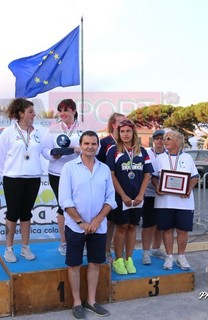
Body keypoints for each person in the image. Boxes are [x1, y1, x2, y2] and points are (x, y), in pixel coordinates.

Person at [59, 130, 117, 319]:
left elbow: (110, 198)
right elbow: (65, 200)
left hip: (98, 227)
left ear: (98, 146)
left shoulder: (104, 169)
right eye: (86, 144)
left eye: (94, 144)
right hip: (76, 227)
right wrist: (81, 222)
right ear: (81, 145)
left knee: (95, 263)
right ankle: (77, 302)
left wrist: (98, 220)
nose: (90, 147)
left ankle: (91, 301)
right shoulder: (69, 168)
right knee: (74, 264)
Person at [0, 98, 42, 263]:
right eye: (30, 112)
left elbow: (43, 152)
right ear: (21, 113)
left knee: (26, 214)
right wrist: (11, 171)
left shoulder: (37, 132)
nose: (33, 114)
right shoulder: (8, 132)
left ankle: (25, 247)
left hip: (33, 178)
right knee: (12, 213)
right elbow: (2, 157)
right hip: (13, 178)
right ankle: (8, 248)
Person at [106, 119, 153, 275]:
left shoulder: (143, 151)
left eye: (128, 131)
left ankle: (129, 259)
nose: (125, 134)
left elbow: (147, 174)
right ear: (118, 133)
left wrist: (141, 194)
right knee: (122, 226)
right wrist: (123, 195)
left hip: (138, 197)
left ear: (134, 133)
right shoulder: (113, 150)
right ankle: (118, 260)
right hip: (121, 197)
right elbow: (111, 175)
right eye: (122, 131)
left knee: (132, 226)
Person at [152, 130, 198, 271]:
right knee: (167, 230)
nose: (165, 141)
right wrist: (158, 187)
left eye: (169, 138)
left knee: (183, 230)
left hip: (184, 202)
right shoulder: (159, 158)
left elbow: (194, 177)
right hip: (164, 201)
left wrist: (188, 189)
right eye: (164, 138)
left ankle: (181, 256)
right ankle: (169, 257)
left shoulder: (187, 158)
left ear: (177, 141)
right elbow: (154, 177)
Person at [42, 99, 82, 256]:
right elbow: (44, 149)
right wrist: (54, 155)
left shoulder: (83, 128)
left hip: (79, 172)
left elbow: (93, 147)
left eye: (66, 110)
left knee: (79, 205)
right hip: (57, 173)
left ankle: (80, 240)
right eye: (61, 110)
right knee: (63, 206)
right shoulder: (52, 129)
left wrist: (80, 149)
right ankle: (64, 243)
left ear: (73, 111)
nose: (63, 113)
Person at [96, 112, 125, 264]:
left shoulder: (126, 142)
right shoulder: (104, 142)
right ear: (113, 124)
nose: (123, 125)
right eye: (121, 122)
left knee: (115, 221)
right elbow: (96, 163)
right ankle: (101, 250)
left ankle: (110, 250)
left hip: (121, 187)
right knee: (103, 220)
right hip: (105, 186)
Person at [142, 129, 167, 264]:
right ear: (153, 140)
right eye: (157, 138)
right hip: (149, 193)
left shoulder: (168, 155)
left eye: (162, 138)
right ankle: (146, 252)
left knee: (160, 224)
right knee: (148, 224)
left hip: (164, 194)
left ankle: (155, 249)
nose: (159, 140)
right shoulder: (146, 152)